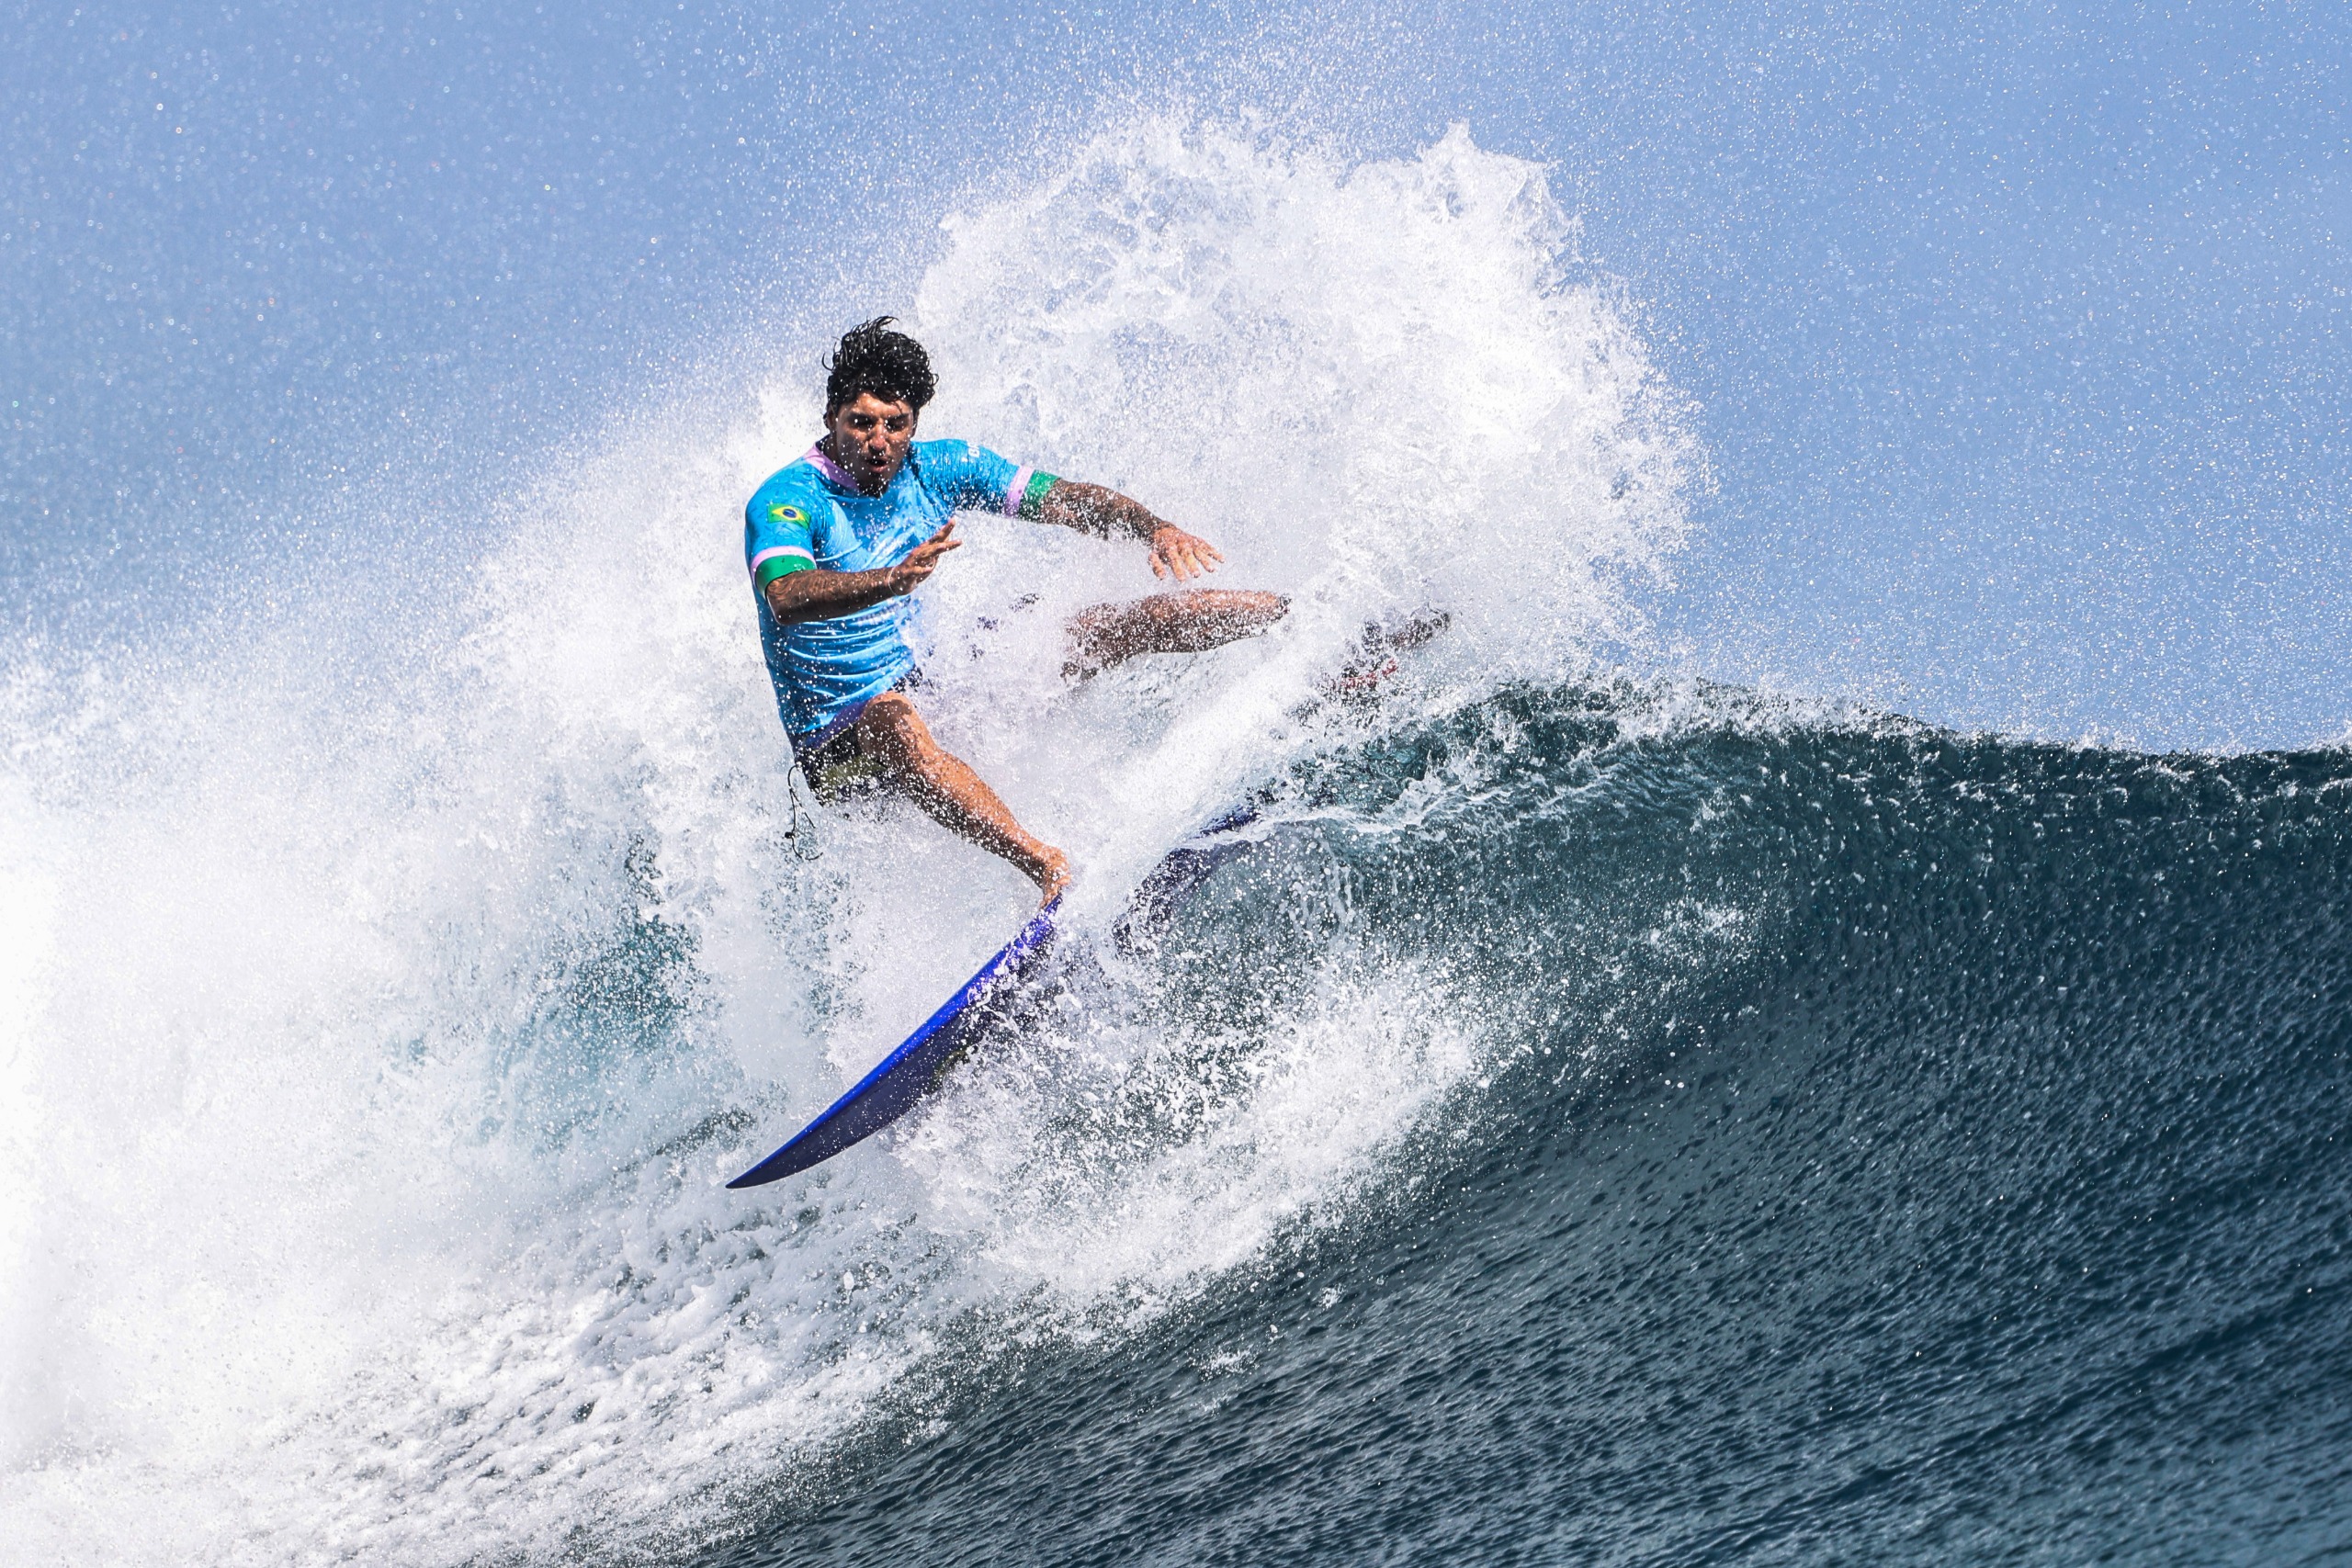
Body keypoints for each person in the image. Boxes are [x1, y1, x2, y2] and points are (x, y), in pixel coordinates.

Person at [744, 318, 1288, 904]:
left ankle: (1305, 619)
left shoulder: (940, 467)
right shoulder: (789, 499)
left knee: (1088, 629)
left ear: (914, 423)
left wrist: (1153, 528)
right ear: (831, 419)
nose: (878, 442)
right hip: (836, 746)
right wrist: (892, 581)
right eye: (861, 423)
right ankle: (1047, 867)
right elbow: (787, 594)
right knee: (890, 718)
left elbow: (1066, 499)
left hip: (924, 688)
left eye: (894, 425)